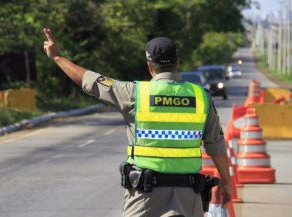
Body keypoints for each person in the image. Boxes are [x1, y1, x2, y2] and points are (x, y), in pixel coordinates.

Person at [43, 28, 232, 217]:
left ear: (150, 66)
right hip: (189, 195)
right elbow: (216, 145)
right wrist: (225, 182)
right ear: (177, 62)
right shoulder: (202, 97)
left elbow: (91, 80)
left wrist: (58, 57)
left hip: (145, 195)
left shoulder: (134, 93)